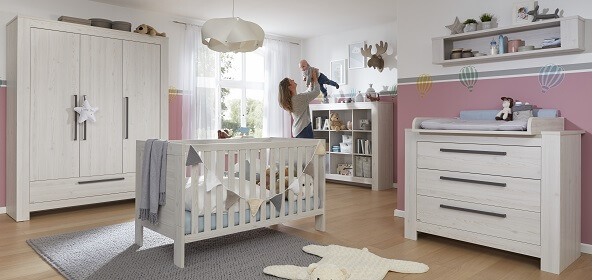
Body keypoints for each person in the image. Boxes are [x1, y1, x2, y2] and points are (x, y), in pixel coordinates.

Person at [278, 69, 320, 138]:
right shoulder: (298, 99)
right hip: (304, 129)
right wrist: (315, 79)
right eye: (291, 81)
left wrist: (311, 82)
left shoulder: (294, 99)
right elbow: (316, 92)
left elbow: (307, 93)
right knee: (310, 148)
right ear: (290, 87)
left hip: (298, 130)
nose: (293, 80)